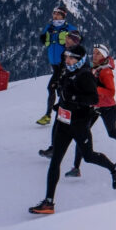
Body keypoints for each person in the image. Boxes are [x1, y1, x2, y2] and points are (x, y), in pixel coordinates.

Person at [28, 45, 116, 215]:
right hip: (64, 123)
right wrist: (61, 105)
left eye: (71, 58)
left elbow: (93, 98)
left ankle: (114, 168)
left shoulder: (85, 75)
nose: (67, 60)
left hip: (79, 124)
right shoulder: (67, 72)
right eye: (66, 57)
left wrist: (72, 98)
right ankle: (49, 202)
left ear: (79, 60)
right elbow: (65, 94)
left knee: (88, 156)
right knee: (55, 160)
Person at [66, 44, 116, 178]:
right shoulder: (95, 68)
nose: (95, 55)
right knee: (82, 133)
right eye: (94, 53)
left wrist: (94, 91)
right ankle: (76, 167)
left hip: (106, 106)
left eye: (98, 53)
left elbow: (111, 92)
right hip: (95, 106)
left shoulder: (105, 72)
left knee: (112, 132)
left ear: (104, 55)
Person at [38, 30, 84, 158]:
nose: (66, 40)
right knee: (60, 123)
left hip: (74, 99)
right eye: (66, 37)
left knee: (73, 126)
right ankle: (55, 149)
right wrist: (58, 84)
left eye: (69, 38)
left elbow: (78, 73)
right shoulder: (66, 52)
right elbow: (62, 71)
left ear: (75, 41)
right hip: (66, 96)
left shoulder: (78, 53)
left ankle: (81, 152)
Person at [37, 5, 77, 125]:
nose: (55, 16)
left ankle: (49, 115)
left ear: (64, 15)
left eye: (58, 14)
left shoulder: (69, 28)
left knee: (52, 87)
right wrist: (43, 38)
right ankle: (67, 114)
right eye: (54, 13)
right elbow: (43, 40)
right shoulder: (49, 28)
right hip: (54, 65)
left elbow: (79, 40)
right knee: (61, 89)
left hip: (64, 65)